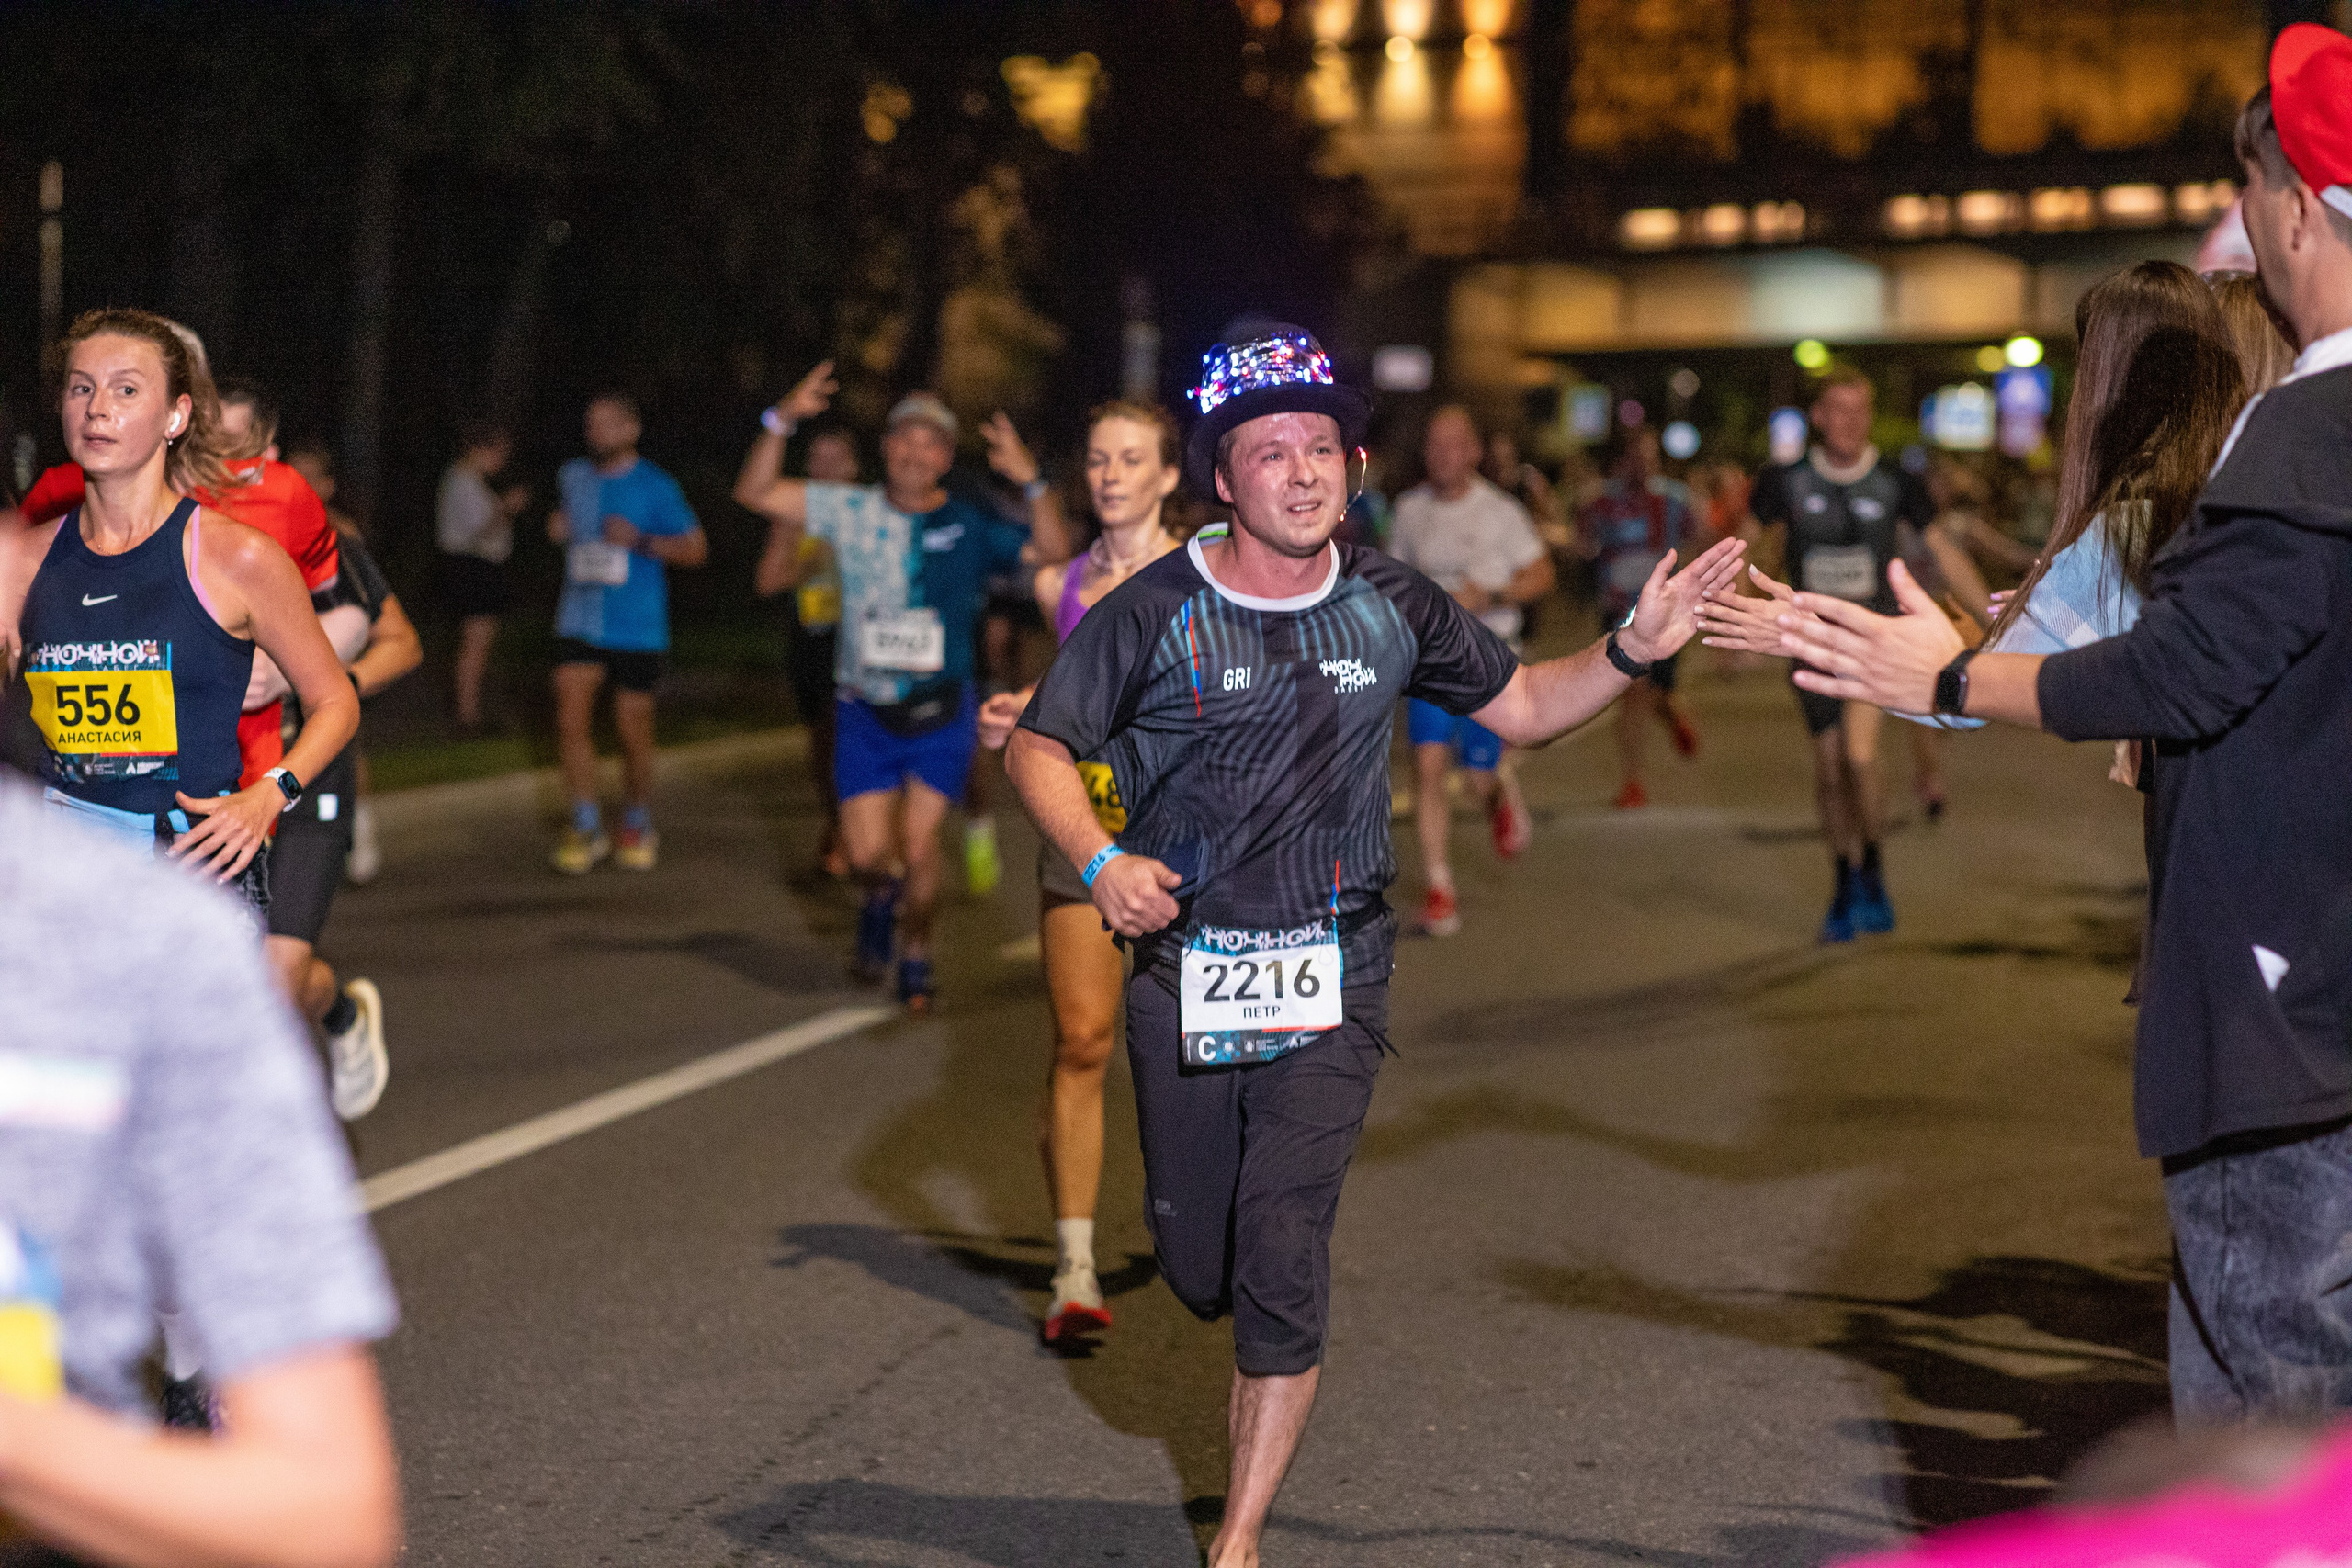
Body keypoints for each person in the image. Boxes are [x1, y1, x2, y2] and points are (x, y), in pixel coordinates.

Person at [1004, 326, 1746, 1568]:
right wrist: (1101, 861)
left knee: (1284, 1240)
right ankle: (1212, 1294)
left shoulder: (1391, 599)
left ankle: (1237, 1538)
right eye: (1267, 451)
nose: (1299, 472)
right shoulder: (1154, 612)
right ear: (1223, 480)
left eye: (1320, 448)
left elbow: (1521, 706)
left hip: (1333, 965)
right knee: (1200, 1262)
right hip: (1189, 966)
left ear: (1351, 465)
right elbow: (1038, 744)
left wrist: (1631, 646)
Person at [1712, 30, 2352, 1427]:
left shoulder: (2308, 437)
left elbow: (2183, 672)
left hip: (2284, 996)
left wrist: (1948, 678)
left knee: (2274, 1399)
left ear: (2297, 204)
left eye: (2249, 193)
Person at [0, 779, 401, 1568]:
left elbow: (332, 1510)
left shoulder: (139, 938)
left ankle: (198, 1374)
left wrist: (272, 789)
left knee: (280, 984)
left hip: (217, 834)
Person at [733, 366, 1070, 1009]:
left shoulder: (969, 526)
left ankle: (916, 953)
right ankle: (876, 903)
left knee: (916, 848)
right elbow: (755, 491)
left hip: (941, 712)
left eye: (931, 443)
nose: (916, 452)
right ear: (887, 447)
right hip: (863, 711)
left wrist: (1031, 479)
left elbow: (1053, 550)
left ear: (945, 458)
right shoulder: (849, 508)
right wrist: (782, 417)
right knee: (867, 857)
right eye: (905, 439)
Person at [978, 400, 1188, 1345]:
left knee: (1198, 1055)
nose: (1108, 475)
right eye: (1097, 459)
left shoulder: (1210, 567)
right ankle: (1073, 1269)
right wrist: (1019, 713)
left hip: (1193, 844)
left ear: (1169, 476)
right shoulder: (1060, 580)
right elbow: (1073, 691)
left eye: (1130, 459)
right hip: (1088, 836)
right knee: (1083, 1041)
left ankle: (1201, 1216)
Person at [1743, 367, 1940, 942]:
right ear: (1818, 417)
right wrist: (1732, 617)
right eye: (1837, 408)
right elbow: (1751, 551)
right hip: (1810, 645)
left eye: (1860, 409)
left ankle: (1873, 868)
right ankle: (1843, 877)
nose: (1849, 420)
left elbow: (1945, 550)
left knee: (1859, 759)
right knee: (1829, 770)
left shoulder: (1899, 482)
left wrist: (2001, 615)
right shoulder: (1784, 481)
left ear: (1870, 416)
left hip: (1873, 643)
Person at [254, 522, 423, 1121]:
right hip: (217, 783)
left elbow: (402, 641)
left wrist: (332, 687)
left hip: (307, 775)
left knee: (274, 977)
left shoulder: (312, 537)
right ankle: (340, 1012)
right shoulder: (164, 530)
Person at [1387, 404, 1554, 936]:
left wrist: (1493, 594)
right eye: (1434, 444)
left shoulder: (1501, 511)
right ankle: (1440, 887)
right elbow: (1397, 579)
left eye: (1454, 443)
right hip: (1430, 662)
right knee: (1429, 768)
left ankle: (1498, 790)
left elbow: (1542, 573)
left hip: (1489, 659)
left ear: (1475, 452)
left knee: (1477, 780)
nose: (1442, 454)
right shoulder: (1410, 511)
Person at [548, 392, 707, 874]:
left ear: (631, 429)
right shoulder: (572, 476)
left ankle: (636, 818)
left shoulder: (656, 485)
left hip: (637, 627)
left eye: (609, 424)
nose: (598, 432)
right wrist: (557, 527)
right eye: (591, 423)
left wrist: (640, 541)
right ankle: (586, 823)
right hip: (578, 619)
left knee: (631, 731)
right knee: (570, 722)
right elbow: (564, 524)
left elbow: (696, 549)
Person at [1578, 425, 1702, 810]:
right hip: (1619, 613)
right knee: (1632, 693)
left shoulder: (1676, 501)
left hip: (1665, 613)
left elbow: (1700, 540)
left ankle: (1673, 712)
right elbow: (1584, 544)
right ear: (1621, 463)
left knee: (1657, 693)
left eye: (1650, 458)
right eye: (1636, 458)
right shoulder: (1599, 503)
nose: (1643, 466)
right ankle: (1633, 781)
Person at [756, 424, 859, 879]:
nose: (827, 468)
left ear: (854, 467)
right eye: (818, 459)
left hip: (859, 641)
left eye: (837, 459)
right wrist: (807, 565)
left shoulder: (871, 512)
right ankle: (838, 820)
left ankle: (849, 834)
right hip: (813, 637)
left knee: (846, 736)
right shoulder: (795, 516)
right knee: (820, 748)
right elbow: (766, 581)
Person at [286, 439, 388, 886]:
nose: (302, 485)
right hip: (279, 657)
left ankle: (359, 836)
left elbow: (369, 606)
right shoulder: (264, 525)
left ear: (327, 486)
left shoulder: (341, 532)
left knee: (345, 741)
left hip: (333, 650)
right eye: (295, 474)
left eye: (312, 477)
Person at [436, 421, 526, 734]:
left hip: (476, 565)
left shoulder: (467, 479)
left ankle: (469, 710)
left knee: (477, 641)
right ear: (480, 449)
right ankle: (467, 716)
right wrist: (507, 507)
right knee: (476, 641)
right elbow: (480, 529)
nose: (501, 460)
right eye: (498, 452)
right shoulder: (462, 479)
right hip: (474, 566)